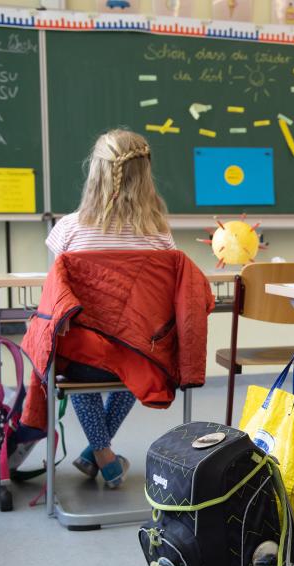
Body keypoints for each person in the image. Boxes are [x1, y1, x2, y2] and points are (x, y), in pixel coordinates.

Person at [45, 129, 176, 489]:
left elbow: (58, 299)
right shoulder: (159, 235)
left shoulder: (68, 230)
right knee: (134, 356)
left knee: (78, 355)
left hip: (84, 361)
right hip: (139, 358)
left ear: (95, 172)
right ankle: (101, 454)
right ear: (146, 175)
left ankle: (100, 454)